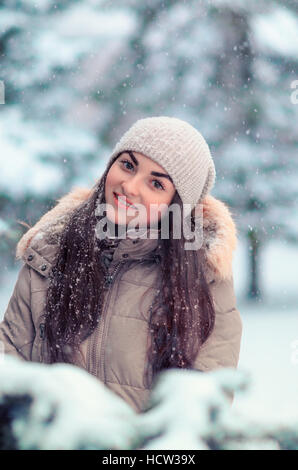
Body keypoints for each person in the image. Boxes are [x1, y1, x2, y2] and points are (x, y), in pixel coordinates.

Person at [0, 116, 242, 413]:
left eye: (156, 183)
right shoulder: (49, 254)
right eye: (127, 165)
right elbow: (8, 370)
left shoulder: (204, 280)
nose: (129, 186)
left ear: (175, 204)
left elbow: (199, 411)